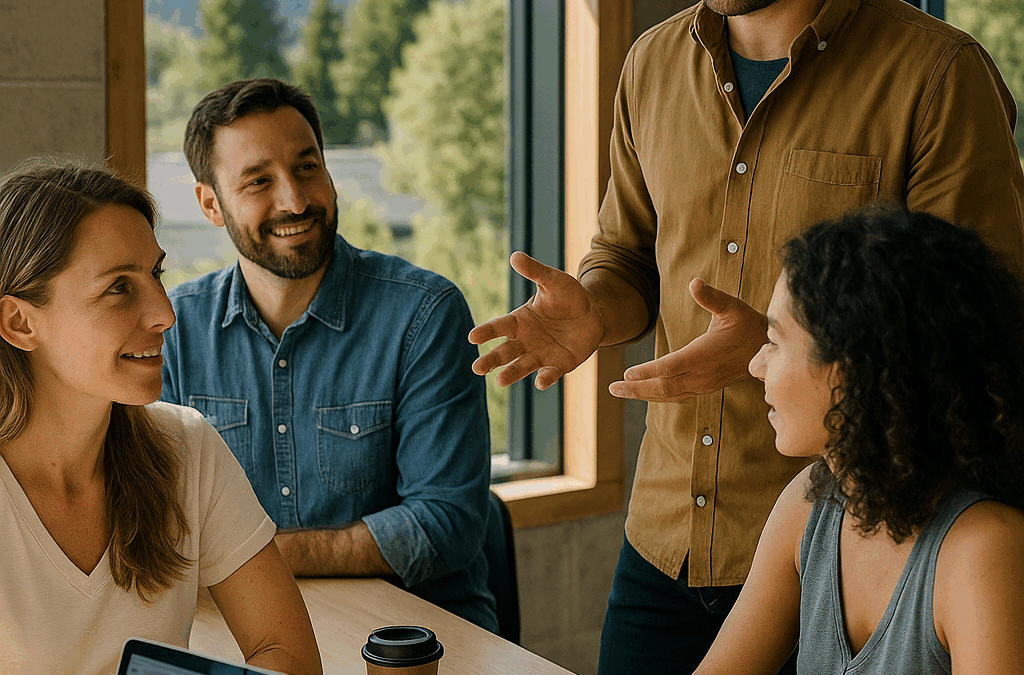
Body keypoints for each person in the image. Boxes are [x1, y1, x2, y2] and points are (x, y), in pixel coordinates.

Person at [469, 0, 1024, 672]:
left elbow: (973, 328)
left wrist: (774, 341)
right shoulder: (651, 62)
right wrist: (596, 308)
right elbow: (626, 256)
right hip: (667, 533)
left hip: (852, 540)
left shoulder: (937, 74)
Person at [160, 78, 497, 632]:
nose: (294, 199)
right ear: (210, 204)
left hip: (415, 641)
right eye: (258, 181)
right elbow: (159, 529)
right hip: (241, 630)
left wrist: (251, 560)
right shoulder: (174, 333)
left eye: (307, 167)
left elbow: (446, 524)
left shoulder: (424, 315)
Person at [0, 159, 321, 675]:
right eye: (118, 287)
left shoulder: (186, 448)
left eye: (155, 274)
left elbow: (289, 654)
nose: (165, 313)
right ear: (19, 323)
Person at [693, 203, 1024, 674]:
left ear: (857, 370)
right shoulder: (808, 505)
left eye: (776, 341)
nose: (755, 365)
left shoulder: (984, 548)